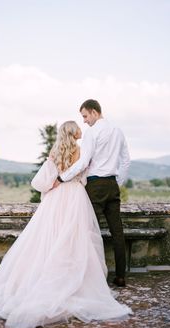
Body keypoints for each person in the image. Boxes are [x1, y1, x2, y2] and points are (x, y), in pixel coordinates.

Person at [0, 121, 131, 328]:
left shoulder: (55, 153)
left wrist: (54, 182)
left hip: (55, 200)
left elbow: (38, 183)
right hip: (76, 198)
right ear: (74, 132)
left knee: (51, 237)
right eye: (78, 128)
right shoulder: (82, 152)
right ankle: (75, 279)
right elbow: (84, 175)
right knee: (75, 239)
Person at [54, 100, 130, 287]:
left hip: (95, 186)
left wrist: (63, 178)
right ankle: (120, 276)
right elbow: (126, 161)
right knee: (117, 232)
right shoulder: (118, 131)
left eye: (85, 116)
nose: (85, 121)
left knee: (88, 231)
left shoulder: (92, 132)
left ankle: (90, 278)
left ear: (94, 112)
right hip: (112, 185)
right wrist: (116, 182)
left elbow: (83, 163)